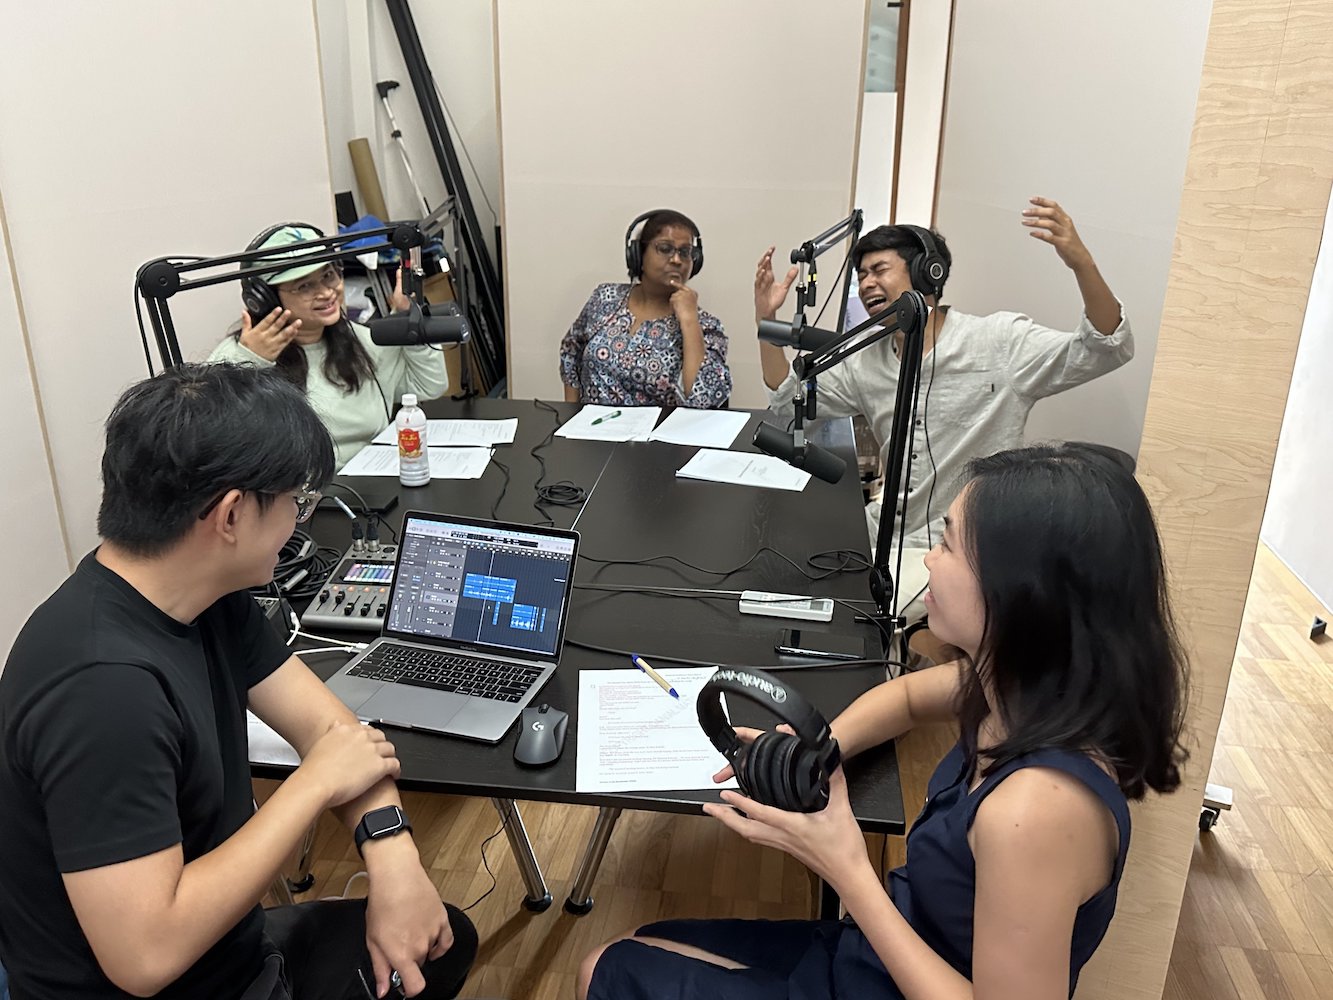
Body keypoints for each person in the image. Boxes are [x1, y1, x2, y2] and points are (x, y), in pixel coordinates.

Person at [578, 442, 1189, 1000]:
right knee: (632, 946)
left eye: (949, 544)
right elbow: (904, 702)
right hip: (875, 953)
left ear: (1017, 591)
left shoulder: (1034, 812)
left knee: (604, 971)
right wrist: (818, 748)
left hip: (889, 965)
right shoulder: (1013, 689)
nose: (931, 557)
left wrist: (845, 866)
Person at [0, 364, 476, 1000]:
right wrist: (311, 786)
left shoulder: (205, 597)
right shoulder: (103, 689)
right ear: (229, 515)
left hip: (229, 951)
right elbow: (145, 956)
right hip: (169, 977)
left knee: (439, 938)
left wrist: (394, 858)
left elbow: (336, 734)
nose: (298, 525)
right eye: (294, 503)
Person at [755, 198, 1133, 623]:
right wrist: (766, 321)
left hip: (964, 546)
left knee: (843, 608)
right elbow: (789, 406)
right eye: (860, 275)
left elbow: (1105, 348)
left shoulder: (999, 342)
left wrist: (1080, 262)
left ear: (926, 274)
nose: (865, 285)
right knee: (780, 571)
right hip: (882, 531)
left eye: (879, 270)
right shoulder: (867, 359)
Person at [208, 222, 449, 468]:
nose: (326, 292)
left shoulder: (363, 341)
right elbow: (214, 437)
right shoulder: (240, 356)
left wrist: (409, 319)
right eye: (305, 285)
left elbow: (427, 386)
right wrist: (250, 359)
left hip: (374, 485)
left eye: (328, 275)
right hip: (297, 500)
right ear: (265, 300)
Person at [560, 209, 732, 408]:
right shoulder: (605, 297)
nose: (676, 260)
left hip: (657, 437)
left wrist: (689, 320)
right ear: (638, 255)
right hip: (591, 432)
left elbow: (705, 401)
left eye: (685, 252)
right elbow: (571, 349)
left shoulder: (706, 326)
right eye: (665, 248)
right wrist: (571, 413)